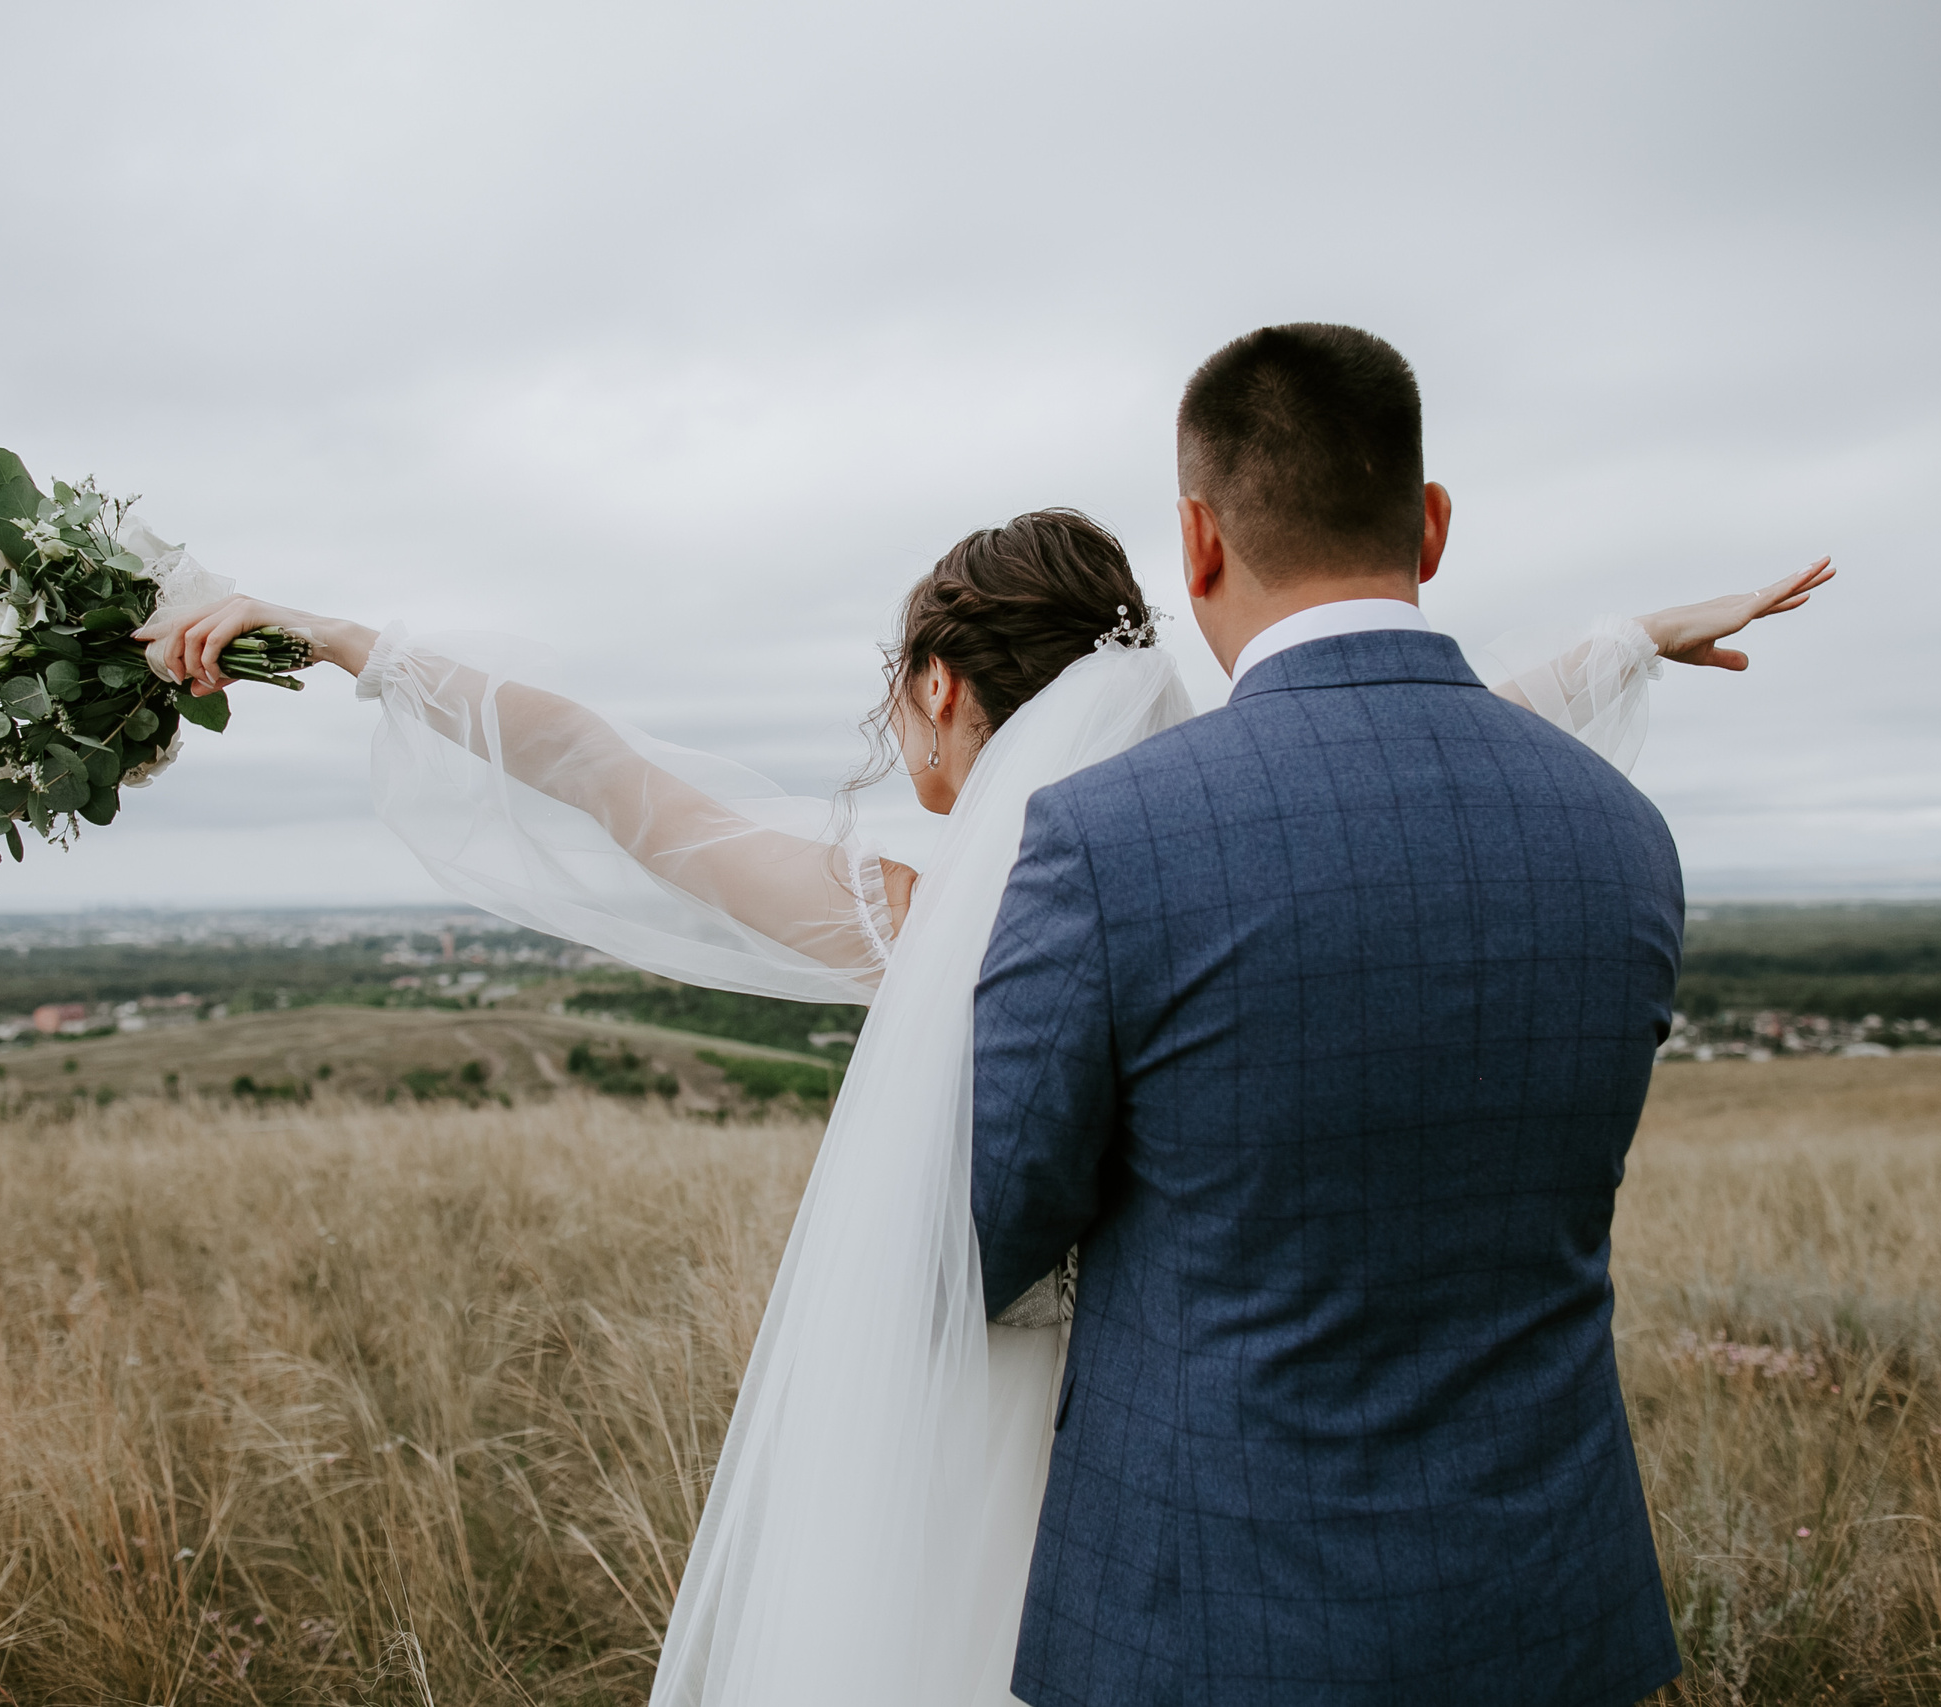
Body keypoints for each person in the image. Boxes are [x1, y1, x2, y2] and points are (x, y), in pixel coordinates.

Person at [136, 329, 1827, 1707]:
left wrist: (349, 643)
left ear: (944, 688)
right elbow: (1380, 786)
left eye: (900, 703)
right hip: (1515, 1586)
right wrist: (1617, 649)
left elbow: (603, 772)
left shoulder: (1011, 889)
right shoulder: (1358, 831)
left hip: (1150, 1554)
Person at [973, 323, 1730, 1706]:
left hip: (1211, 1622)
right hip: (1550, 1615)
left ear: (1197, 540)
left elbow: (996, 1215)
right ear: (1431, 525)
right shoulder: (1625, 834)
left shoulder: (1106, 836)